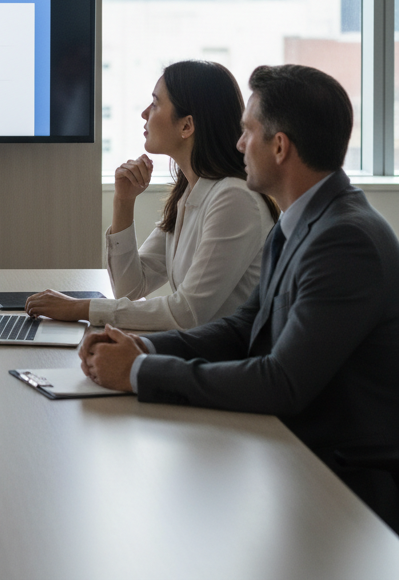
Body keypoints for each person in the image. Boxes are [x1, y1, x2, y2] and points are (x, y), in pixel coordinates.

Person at [81, 64, 399, 531]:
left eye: (247, 131)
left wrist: (138, 371)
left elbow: (282, 382)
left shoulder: (345, 240)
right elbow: (240, 329)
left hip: (344, 485)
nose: (237, 143)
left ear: (279, 146)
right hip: (291, 449)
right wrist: (140, 348)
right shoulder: (300, 222)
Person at [26, 60, 277, 331]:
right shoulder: (190, 193)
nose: (145, 113)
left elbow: (186, 313)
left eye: (156, 104)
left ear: (187, 126)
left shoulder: (233, 199)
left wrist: (78, 308)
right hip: (199, 352)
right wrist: (123, 201)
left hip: (225, 362)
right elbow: (130, 287)